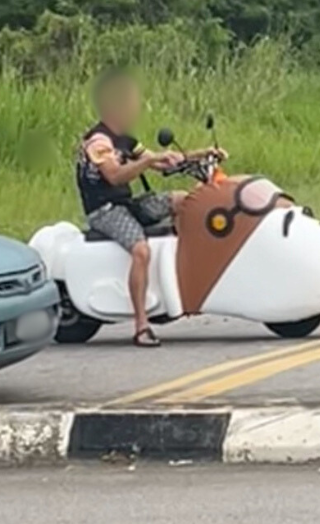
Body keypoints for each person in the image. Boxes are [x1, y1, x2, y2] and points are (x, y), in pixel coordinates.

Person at [75, 68, 226, 347]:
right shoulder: (99, 142)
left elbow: (162, 161)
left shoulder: (127, 140)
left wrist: (204, 153)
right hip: (105, 210)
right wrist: (146, 162)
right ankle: (142, 325)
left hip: (127, 204)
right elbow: (115, 176)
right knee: (141, 250)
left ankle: (187, 278)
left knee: (186, 201)